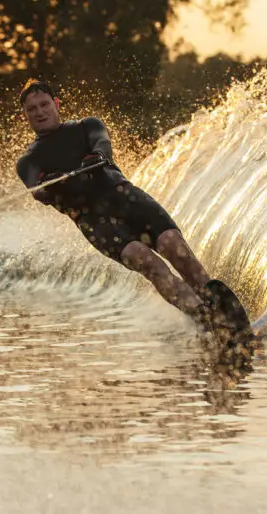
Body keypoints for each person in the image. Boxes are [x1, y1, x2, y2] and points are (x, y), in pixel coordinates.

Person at [15, 78, 227, 327]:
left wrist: (97, 156)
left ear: (57, 104)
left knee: (172, 244)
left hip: (126, 198)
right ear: (24, 116)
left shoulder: (87, 126)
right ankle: (205, 319)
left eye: (44, 104)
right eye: (32, 109)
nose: (40, 112)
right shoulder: (27, 162)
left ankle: (218, 306)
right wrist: (51, 182)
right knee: (144, 259)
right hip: (95, 221)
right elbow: (39, 192)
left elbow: (102, 143)